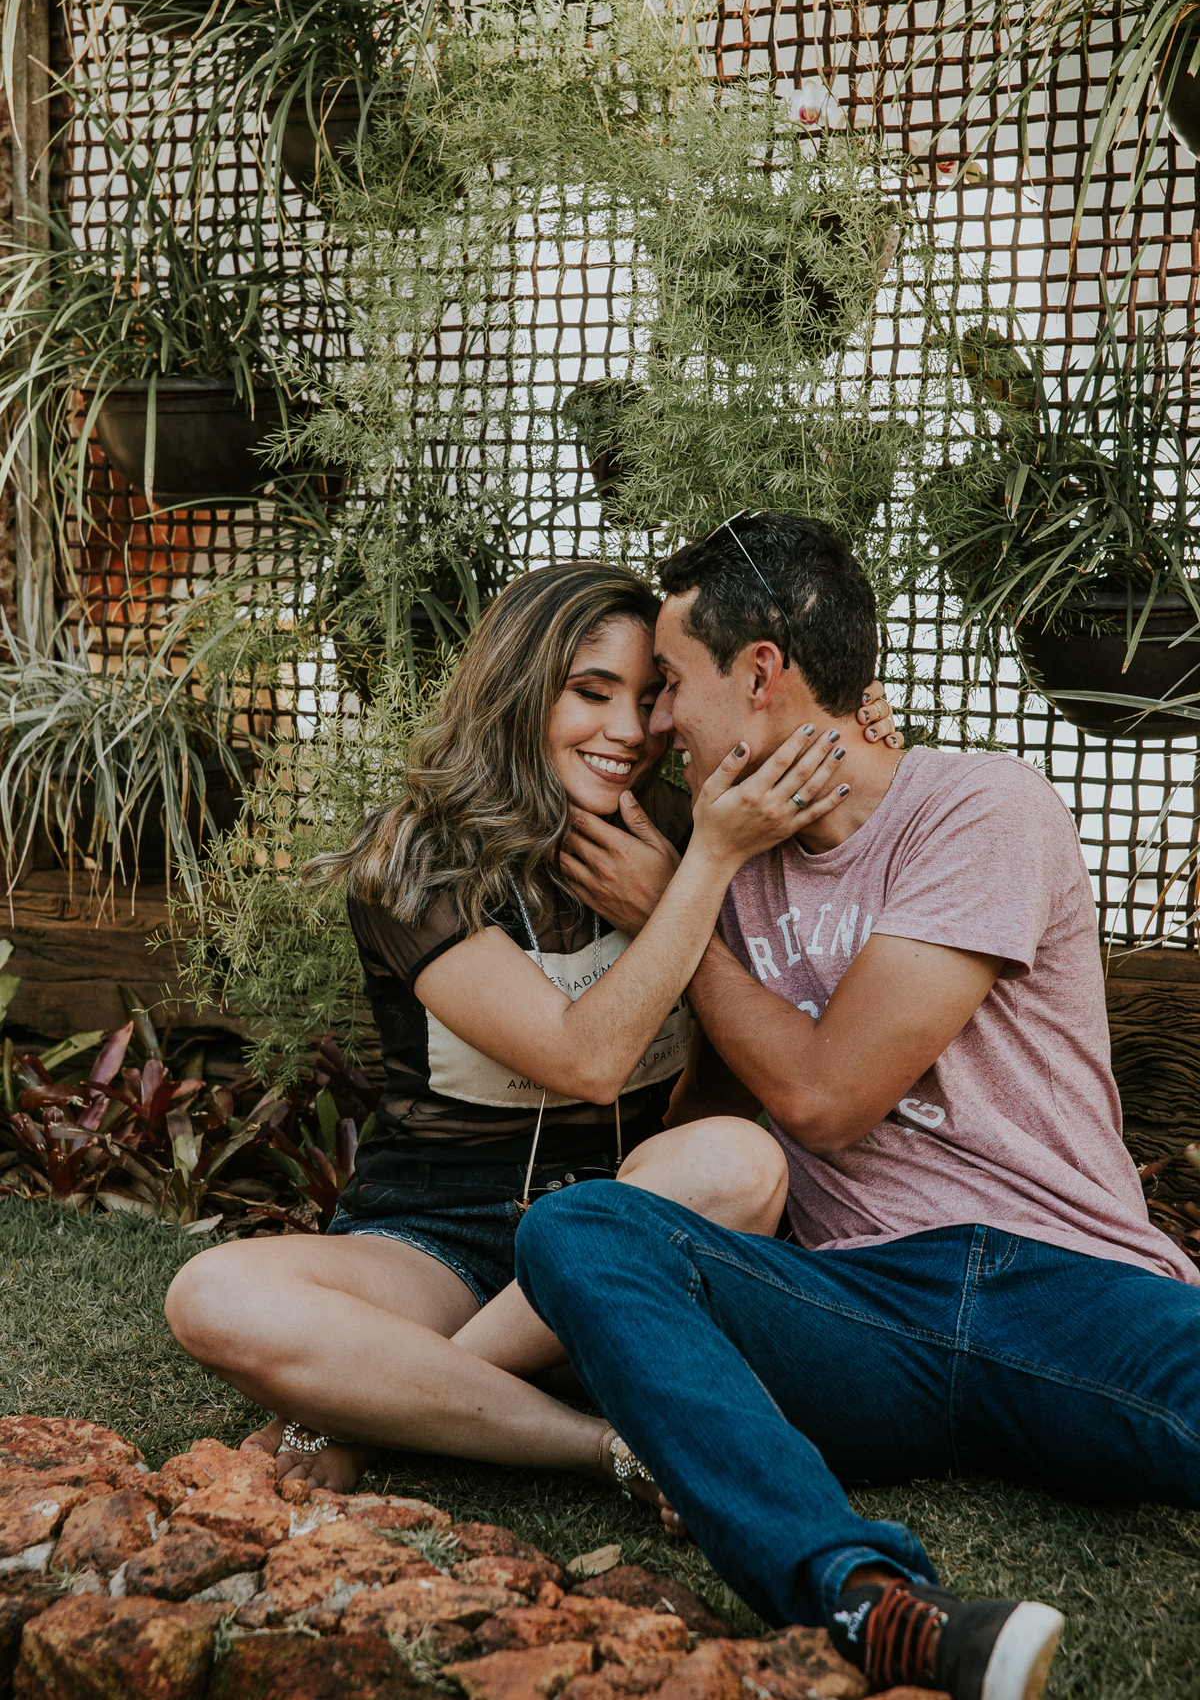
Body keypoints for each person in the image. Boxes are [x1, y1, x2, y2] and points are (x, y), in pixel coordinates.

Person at [513, 513, 1200, 1700]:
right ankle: (863, 1598)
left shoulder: (983, 807)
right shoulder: (723, 860)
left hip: (1068, 1287)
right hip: (861, 1311)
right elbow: (719, 1119)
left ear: (764, 674)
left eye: (672, 683)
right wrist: (693, 892)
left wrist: (673, 898)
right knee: (578, 1231)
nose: (658, 720)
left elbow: (827, 1100)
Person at [165, 560, 898, 1500]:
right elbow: (584, 1058)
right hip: (432, 1240)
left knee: (741, 1163)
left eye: (651, 696)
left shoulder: (686, 825)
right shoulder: (416, 859)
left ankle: (387, 1403)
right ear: (519, 689)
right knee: (216, 1297)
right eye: (591, 694)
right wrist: (703, 868)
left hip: (609, 1232)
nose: (629, 733)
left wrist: (865, 724)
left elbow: (836, 777)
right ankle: (598, 1444)